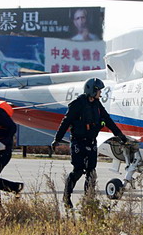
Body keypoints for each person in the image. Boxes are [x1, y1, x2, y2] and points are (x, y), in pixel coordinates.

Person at [52, 78, 127, 208]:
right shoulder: (77, 104)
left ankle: (89, 201)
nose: (101, 93)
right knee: (78, 171)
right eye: (99, 90)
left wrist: (120, 136)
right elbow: (66, 122)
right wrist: (57, 139)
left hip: (91, 142)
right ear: (93, 90)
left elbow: (108, 121)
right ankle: (66, 196)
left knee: (91, 173)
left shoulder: (97, 105)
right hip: (78, 142)